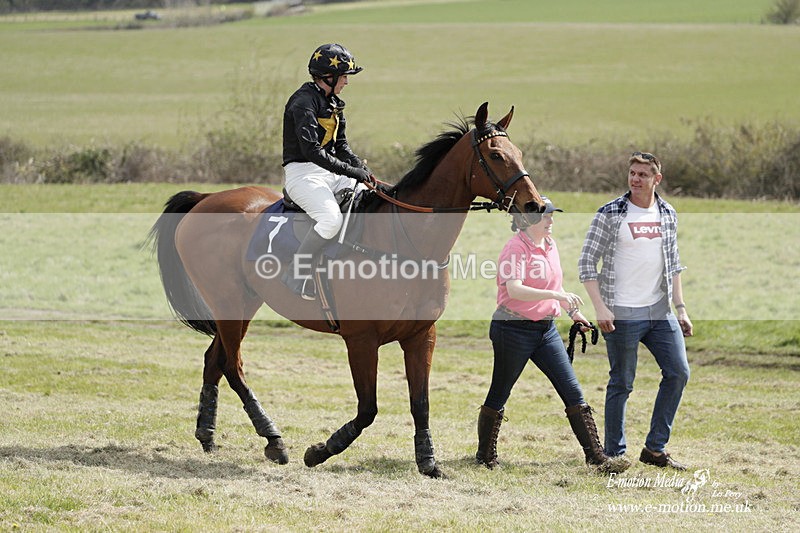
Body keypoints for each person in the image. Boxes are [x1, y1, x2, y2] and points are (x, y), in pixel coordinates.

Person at [475, 197, 630, 473]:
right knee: (500, 392)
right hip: (512, 329)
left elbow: (556, 285)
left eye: (551, 216)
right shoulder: (515, 248)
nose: (551, 221)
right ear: (529, 220)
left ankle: (596, 457)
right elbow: (515, 290)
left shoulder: (550, 245)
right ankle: (485, 456)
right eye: (546, 216)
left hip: (545, 330)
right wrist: (556, 295)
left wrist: (573, 313)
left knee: (572, 390)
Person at [579, 151, 693, 471]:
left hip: (660, 311)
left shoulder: (668, 213)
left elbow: (674, 266)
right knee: (622, 383)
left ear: (657, 179)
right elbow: (587, 263)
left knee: (678, 373)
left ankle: (655, 449)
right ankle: (614, 454)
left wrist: (681, 309)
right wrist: (600, 308)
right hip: (621, 313)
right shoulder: (611, 213)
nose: (635, 179)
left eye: (643, 174)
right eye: (632, 173)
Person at [281, 43, 373, 299]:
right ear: (328, 77)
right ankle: (296, 274)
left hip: (328, 171)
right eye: (344, 76)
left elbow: (340, 145)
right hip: (303, 174)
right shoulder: (302, 102)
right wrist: (350, 171)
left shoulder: (332, 101)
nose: (346, 81)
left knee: (370, 195)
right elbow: (311, 151)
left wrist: (359, 168)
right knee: (331, 219)